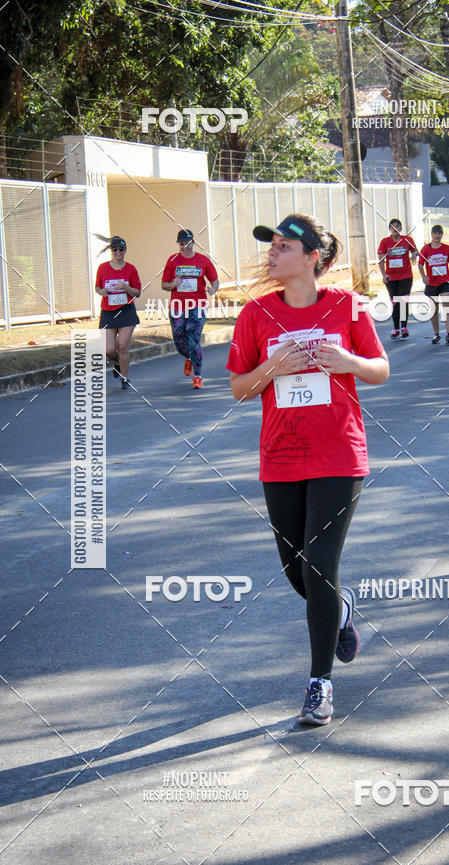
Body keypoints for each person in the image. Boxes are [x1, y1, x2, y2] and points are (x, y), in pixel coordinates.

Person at [227, 213, 389, 726]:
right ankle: (338, 610)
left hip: (339, 453)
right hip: (280, 456)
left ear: (312, 257)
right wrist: (274, 368)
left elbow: (380, 370)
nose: (271, 253)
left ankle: (320, 684)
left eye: (282, 246)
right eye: (270, 245)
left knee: (318, 562)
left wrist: (347, 361)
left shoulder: (347, 305)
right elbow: (238, 389)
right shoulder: (255, 315)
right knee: (296, 567)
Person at [161, 229, 219, 389]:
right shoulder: (172, 260)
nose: (185, 246)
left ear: (193, 242)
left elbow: (215, 280)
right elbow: (164, 284)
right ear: (178, 244)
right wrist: (172, 285)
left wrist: (213, 289)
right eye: (182, 243)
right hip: (178, 307)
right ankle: (188, 357)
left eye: (188, 243)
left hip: (197, 306)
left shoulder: (203, 260)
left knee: (193, 341)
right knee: (179, 340)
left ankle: (198, 376)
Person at [95, 236, 141, 389]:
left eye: (121, 249)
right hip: (108, 311)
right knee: (108, 349)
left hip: (126, 311)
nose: (118, 252)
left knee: (122, 345)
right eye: (115, 250)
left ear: (125, 250)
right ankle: (117, 363)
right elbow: (97, 287)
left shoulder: (131, 269)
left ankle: (125, 378)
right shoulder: (102, 268)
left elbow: (137, 292)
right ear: (111, 251)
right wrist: (102, 291)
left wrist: (126, 287)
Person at [377, 218, 418, 339]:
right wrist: (384, 274)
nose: (395, 228)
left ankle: (404, 327)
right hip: (391, 277)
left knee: (403, 300)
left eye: (397, 226)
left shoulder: (407, 240)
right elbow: (381, 259)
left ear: (400, 228)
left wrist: (414, 256)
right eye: (393, 226)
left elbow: (415, 251)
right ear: (390, 229)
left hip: (405, 276)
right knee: (395, 302)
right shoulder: (385, 242)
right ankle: (396, 328)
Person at [418, 225, 449, 344]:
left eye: (439, 233)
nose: (437, 235)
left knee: (447, 306)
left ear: (442, 234)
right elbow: (420, 264)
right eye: (435, 233)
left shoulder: (446, 248)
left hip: (445, 281)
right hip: (432, 283)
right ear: (432, 234)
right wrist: (424, 276)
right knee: (434, 309)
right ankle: (436, 334)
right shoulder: (425, 249)